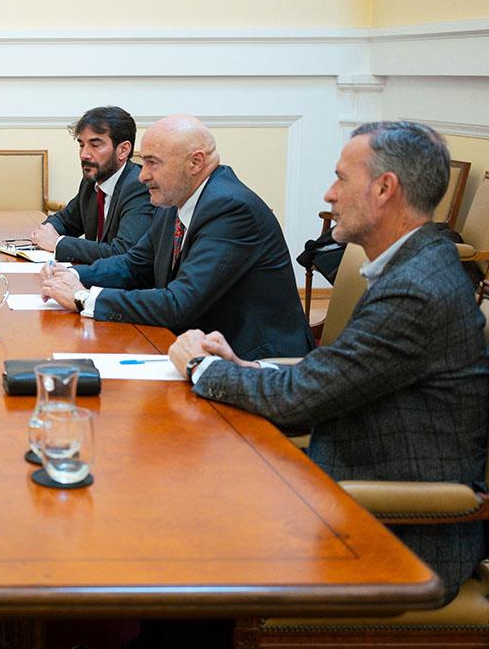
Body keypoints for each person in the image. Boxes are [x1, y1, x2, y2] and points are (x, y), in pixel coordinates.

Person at [169, 121, 488, 605]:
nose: (329, 193)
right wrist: (244, 366)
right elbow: (336, 375)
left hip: (399, 536)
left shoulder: (415, 291)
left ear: (384, 189)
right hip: (353, 494)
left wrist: (202, 368)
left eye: (341, 178)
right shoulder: (414, 267)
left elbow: (300, 401)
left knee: (192, 549)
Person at [40, 114, 312, 359]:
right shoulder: (175, 199)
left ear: (195, 162)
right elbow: (135, 265)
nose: (142, 176)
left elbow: (179, 303)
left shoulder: (231, 208)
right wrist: (75, 276)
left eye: (152, 163)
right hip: (193, 345)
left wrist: (84, 298)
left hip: (255, 362)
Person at [29, 105, 154, 264]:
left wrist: (57, 243)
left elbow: (122, 253)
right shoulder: (91, 182)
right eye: (82, 145)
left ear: (123, 150)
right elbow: (65, 220)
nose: (84, 154)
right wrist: (47, 231)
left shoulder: (138, 186)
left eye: (95, 145)